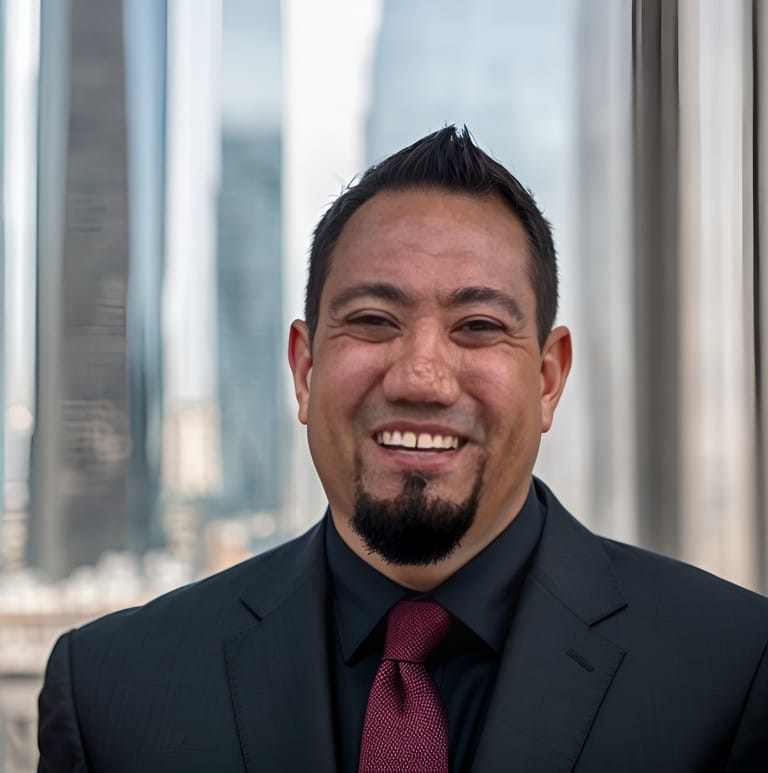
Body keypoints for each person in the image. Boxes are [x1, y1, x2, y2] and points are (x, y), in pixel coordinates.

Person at [38, 126, 768, 772]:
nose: (421, 375)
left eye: (478, 325)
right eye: (373, 319)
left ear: (548, 379)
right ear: (303, 368)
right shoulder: (113, 690)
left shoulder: (735, 671)